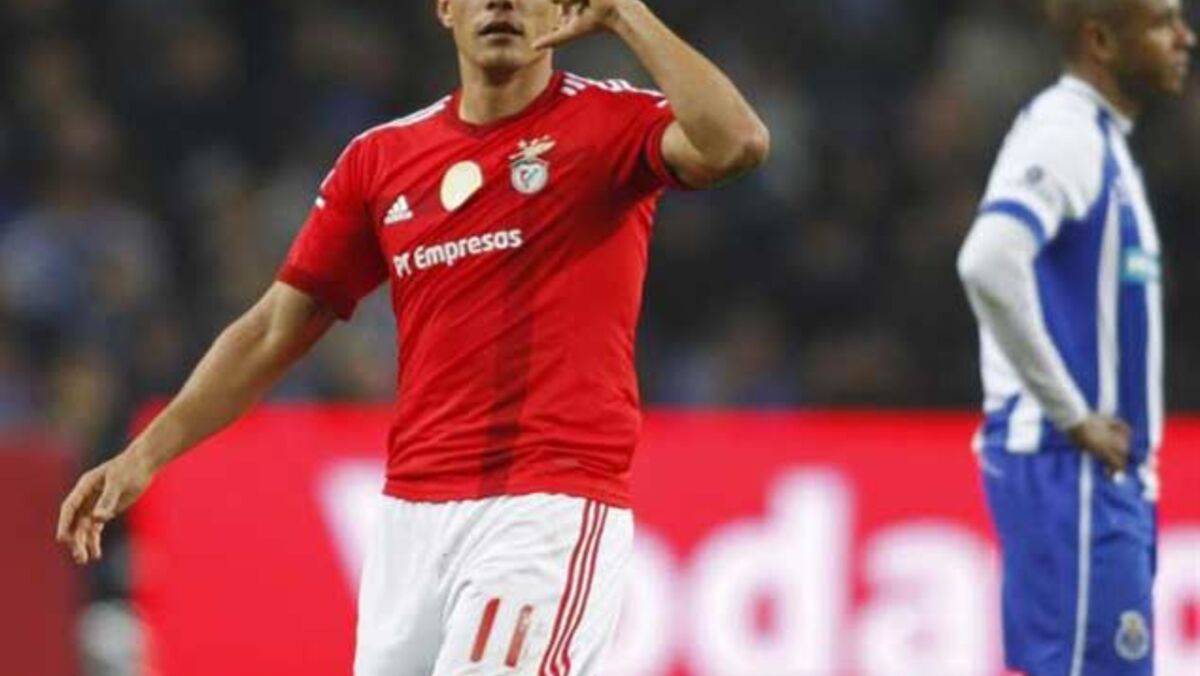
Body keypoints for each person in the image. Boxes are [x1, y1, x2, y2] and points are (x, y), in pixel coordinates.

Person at [56, 0, 768, 673]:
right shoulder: (382, 159)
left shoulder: (611, 120)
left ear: (563, 8)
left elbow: (737, 142)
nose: (501, 3)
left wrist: (628, 14)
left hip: (546, 505)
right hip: (411, 519)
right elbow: (275, 326)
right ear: (445, 8)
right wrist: (145, 455)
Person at [957, 0, 1194, 673]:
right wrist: (1072, 415)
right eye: (1163, 23)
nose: (1185, 37)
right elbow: (987, 261)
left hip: (1092, 480)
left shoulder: (1100, 138)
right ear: (1101, 41)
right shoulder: (1066, 135)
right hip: (1070, 473)